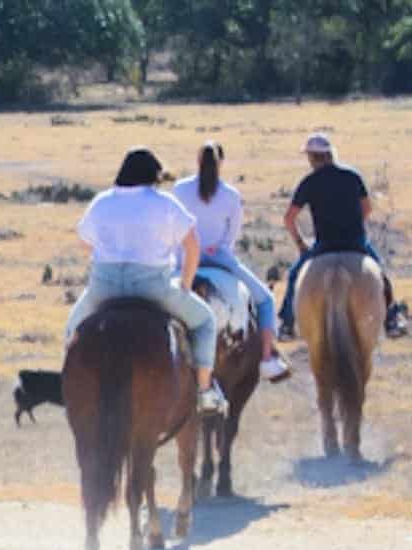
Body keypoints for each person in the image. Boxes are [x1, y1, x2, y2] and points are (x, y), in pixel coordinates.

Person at [64, 146, 227, 416]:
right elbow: (192, 247)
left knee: (72, 330)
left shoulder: (102, 201)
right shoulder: (164, 203)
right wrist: (185, 284)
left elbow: (84, 242)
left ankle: (70, 392)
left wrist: (109, 257)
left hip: (105, 287)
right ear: (153, 175)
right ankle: (205, 391)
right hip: (153, 287)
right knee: (205, 321)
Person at [172, 142, 291, 382]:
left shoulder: (180, 189)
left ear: (198, 161)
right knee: (265, 300)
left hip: (184, 259)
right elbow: (232, 235)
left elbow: (173, 227)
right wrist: (217, 247)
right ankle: (267, 358)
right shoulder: (230, 195)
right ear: (221, 163)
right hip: (218, 257)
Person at [278, 132, 404, 338]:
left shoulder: (309, 182)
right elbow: (367, 208)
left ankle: (287, 324)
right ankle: (392, 320)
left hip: (324, 244)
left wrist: (301, 244)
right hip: (355, 242)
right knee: (381, 274)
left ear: (313, 157)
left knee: (294, 277)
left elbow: (289, 218)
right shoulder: (352, 176)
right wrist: (352, 225)